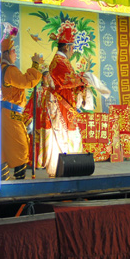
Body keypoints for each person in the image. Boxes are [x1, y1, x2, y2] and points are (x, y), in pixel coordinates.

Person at [35, 23, 87, 177]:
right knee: (63, 136)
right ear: (67, 47)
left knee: (68, 135)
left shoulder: (62, 61)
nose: (73, 51)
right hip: (60, 106)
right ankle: (62, 168)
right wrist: (83, 80)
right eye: (72, 48)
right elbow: (67, 80)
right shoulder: (59, 61)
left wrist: (80, 85)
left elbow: (67, 82)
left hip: (65, 104)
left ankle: (68, 167)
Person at [0, 32, 43, 181]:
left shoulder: (4, 68)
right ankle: (18, 182)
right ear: (6, 54)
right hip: (9, 114)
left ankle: (5, 180)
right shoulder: (9, 70)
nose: (15, 54)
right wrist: (35, 65)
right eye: (13, 51)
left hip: (9, 113)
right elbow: (26, 81)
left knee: (6, 148)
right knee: (21, 148)